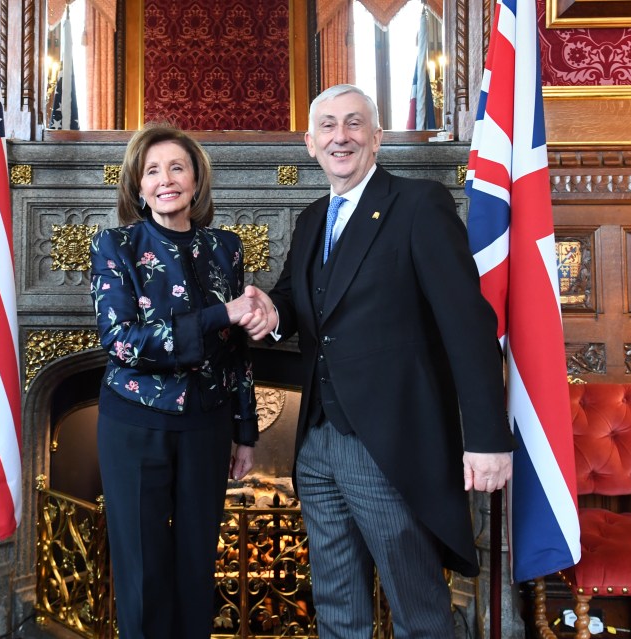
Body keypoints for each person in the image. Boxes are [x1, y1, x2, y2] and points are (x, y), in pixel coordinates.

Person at [238, 85, 517, 638]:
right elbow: (297, 301)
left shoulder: (419, 205)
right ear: (310, 143)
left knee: (418, 611)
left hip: (388, 446)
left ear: (376, 137)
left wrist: (487, 438)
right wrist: (269, 312)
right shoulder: (313, 217)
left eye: (354, 124)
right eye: (328, 127)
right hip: (315, 444)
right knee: (338, 609)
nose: (340, 136)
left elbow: (469, 325)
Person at [89, 123, 266, 639]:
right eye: (152, 171)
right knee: (142, 570)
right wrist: (220, 315)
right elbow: (122, 341)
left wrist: (246, 431)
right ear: (138, 187)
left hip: (208, 426)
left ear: (195, 180)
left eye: (177, 167)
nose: (165, 179)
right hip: (134, 425)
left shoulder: (225, 247)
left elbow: (239, 349)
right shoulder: (115, 244)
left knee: (196, 566)